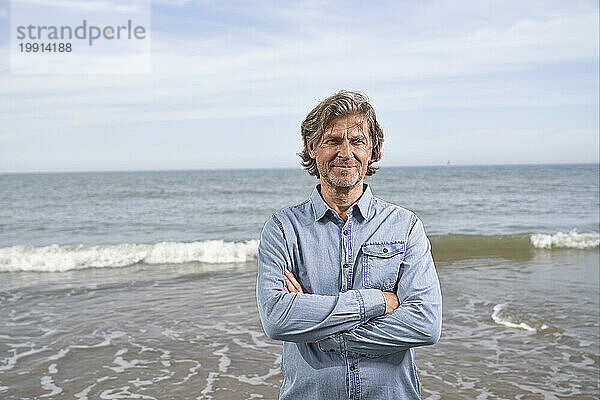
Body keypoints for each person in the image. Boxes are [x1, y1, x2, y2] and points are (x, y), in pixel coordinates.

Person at [256, 90, 442, 399]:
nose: (346, 152)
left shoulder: (406, 226)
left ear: (372, 150)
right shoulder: (283, 230)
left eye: (356, 141)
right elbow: (277, 319)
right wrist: (377, 302)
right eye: (332, 141)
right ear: (312, 148)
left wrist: (318, 334)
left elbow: (425, 323)